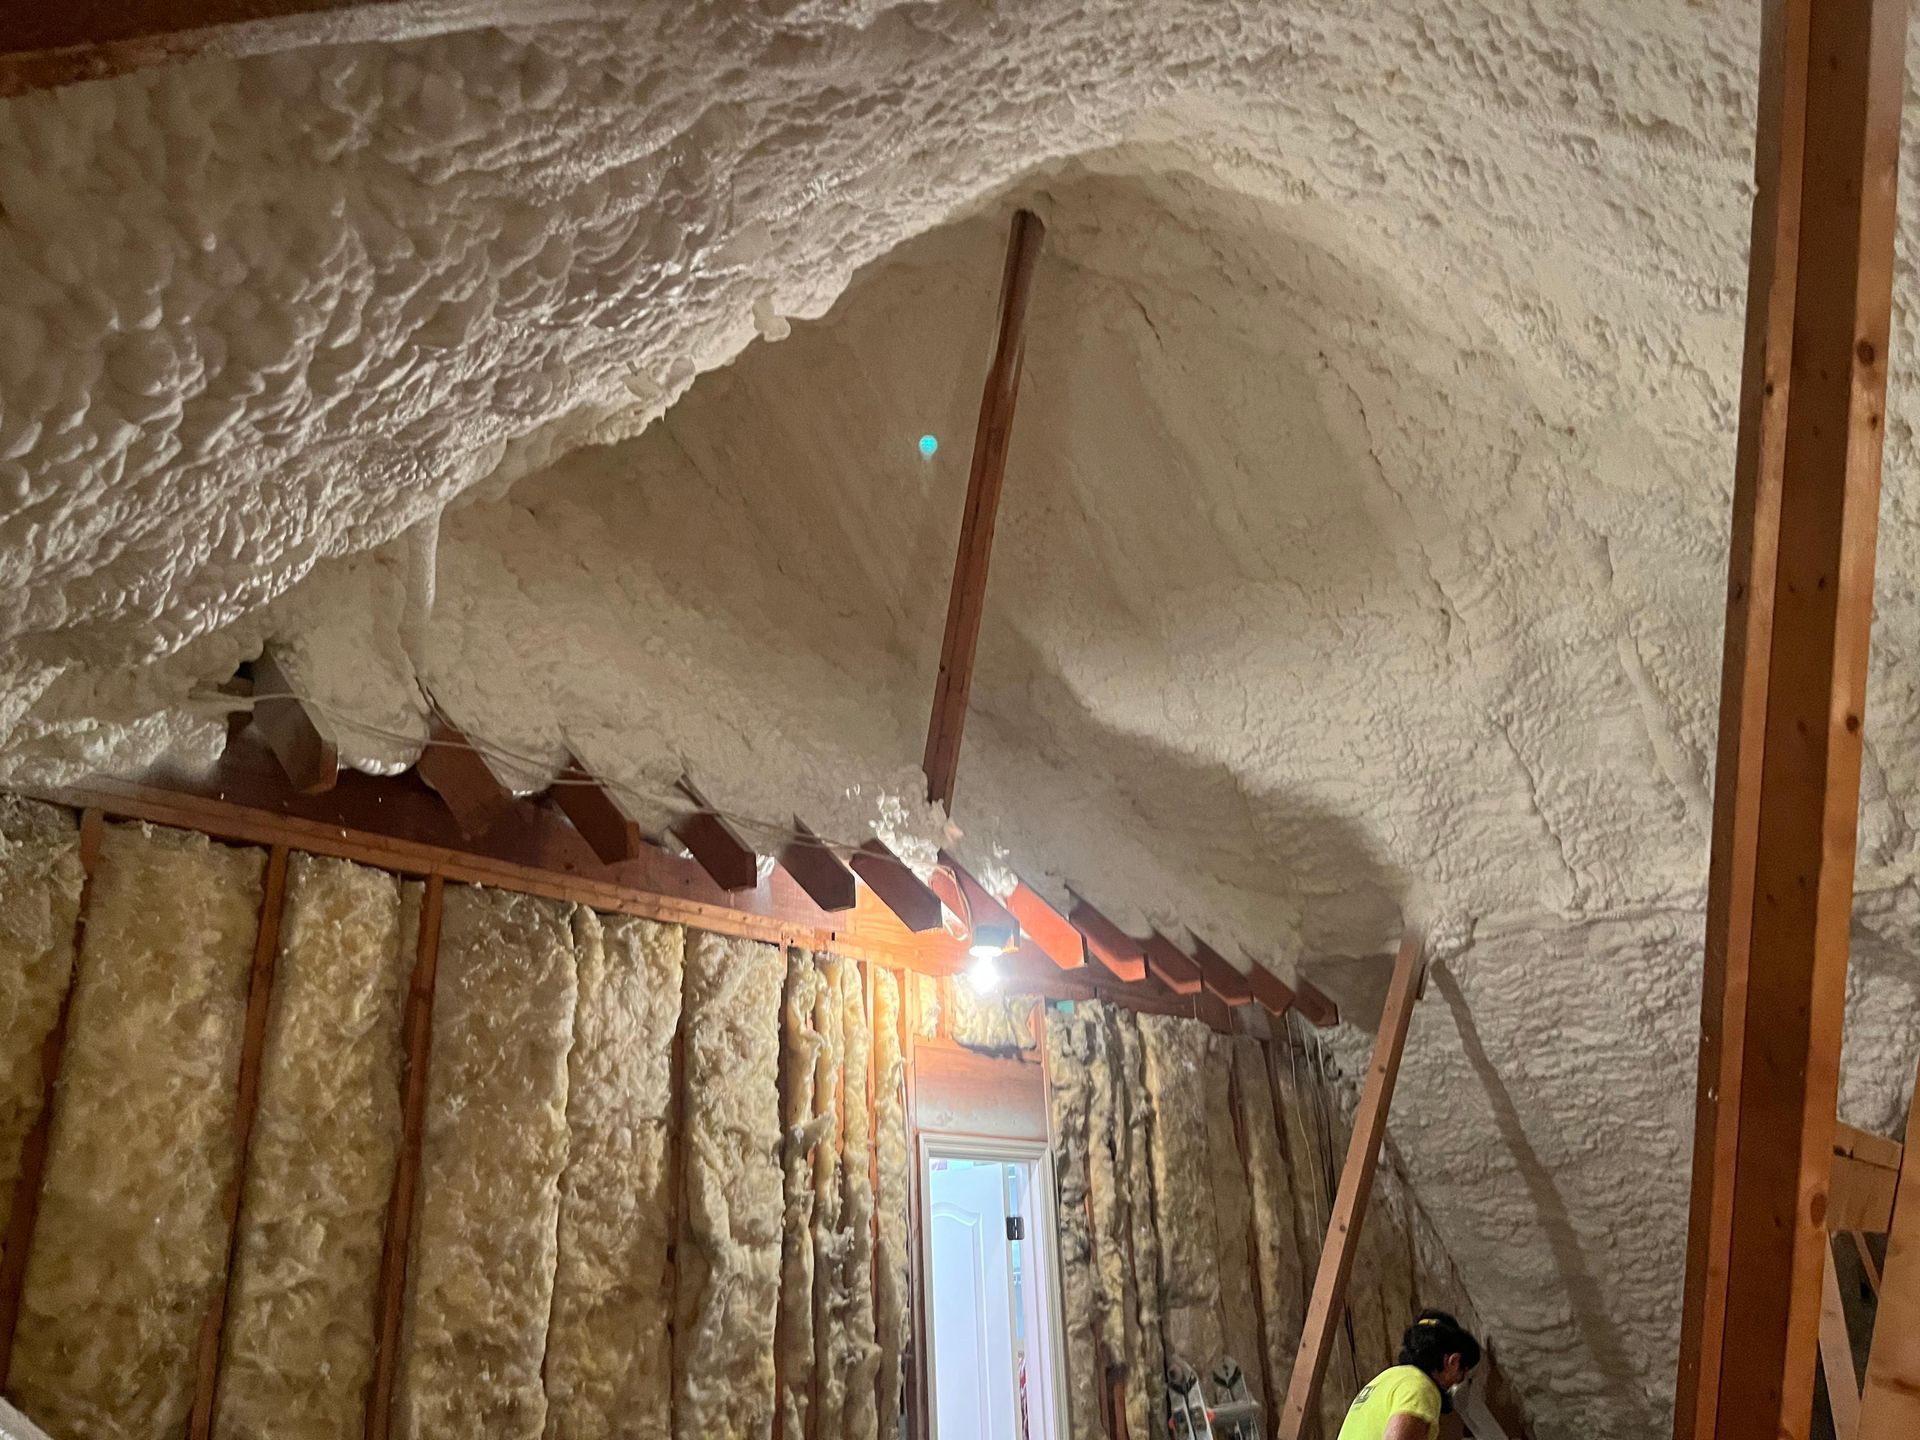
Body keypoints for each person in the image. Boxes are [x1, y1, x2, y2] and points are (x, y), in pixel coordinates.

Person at [1335, 1309, 1482, 1440]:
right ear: (1453, 1362)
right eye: (1462, 1372)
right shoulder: (1421, 1388)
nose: (1459, 1381)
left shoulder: (1390, 1377)